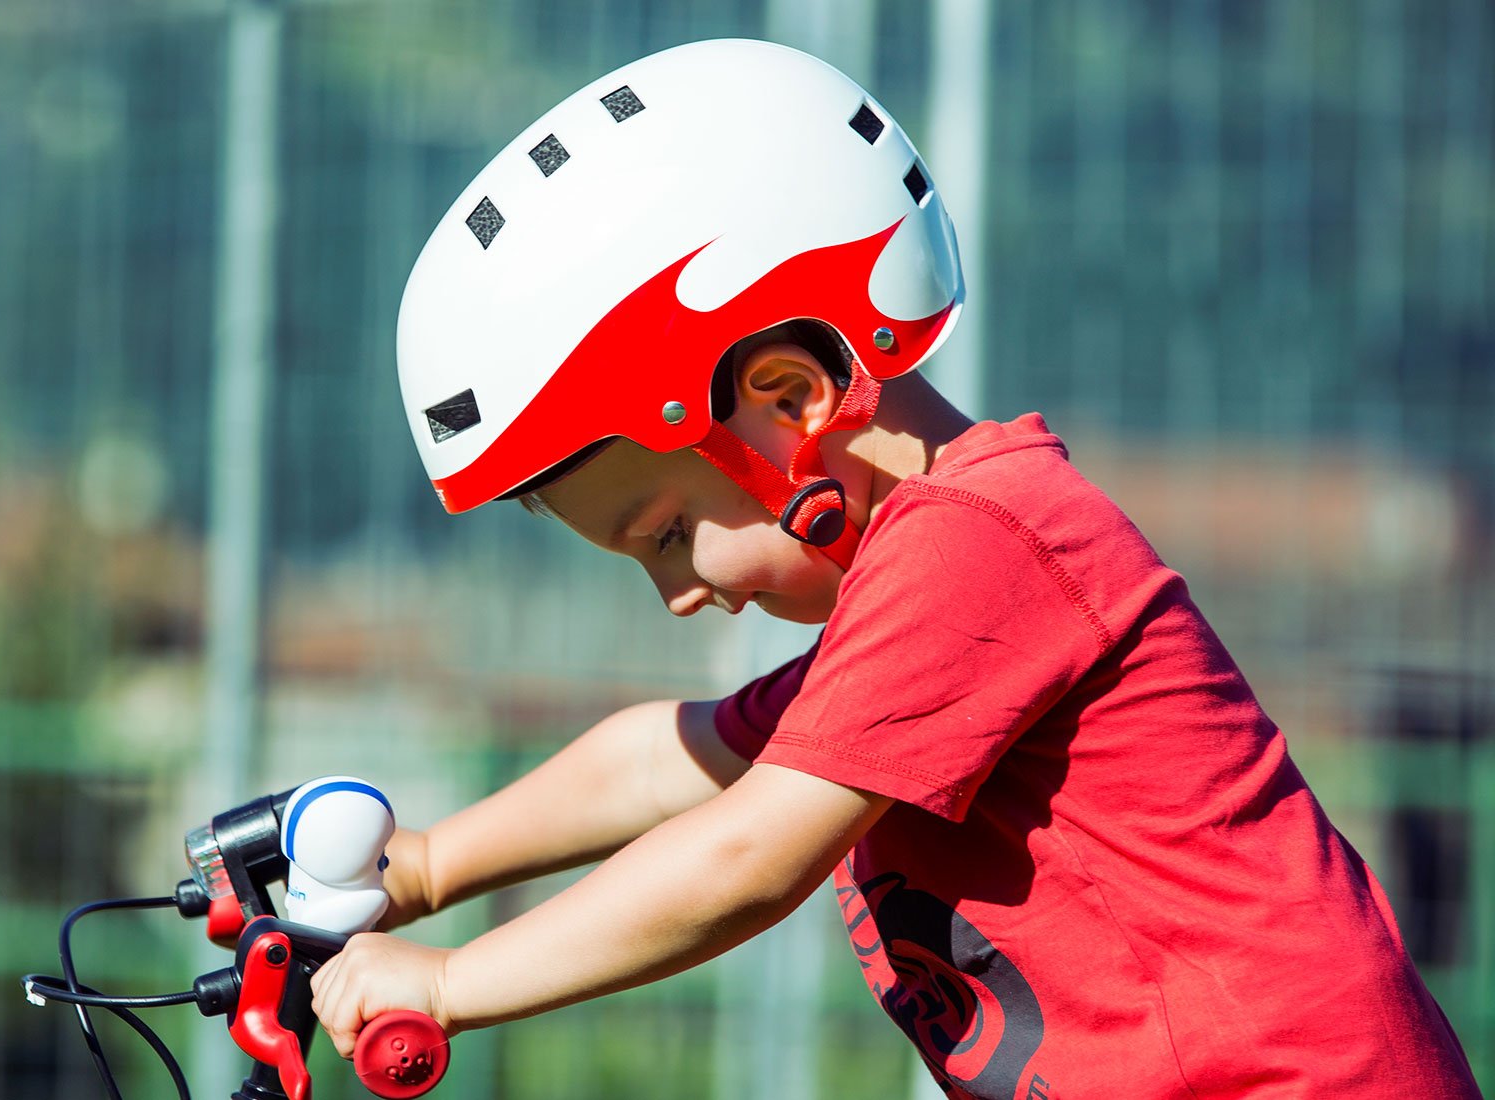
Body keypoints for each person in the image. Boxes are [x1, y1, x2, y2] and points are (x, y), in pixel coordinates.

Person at [309, 38, 1483, 1098]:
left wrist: (451, 981)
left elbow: (745, 853)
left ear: (789, 398)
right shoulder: (931, 577)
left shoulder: (981, 538)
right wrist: (419, 864)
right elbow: (672, 760)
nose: (677, 592)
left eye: (666, 531)